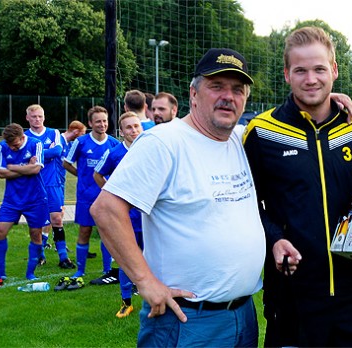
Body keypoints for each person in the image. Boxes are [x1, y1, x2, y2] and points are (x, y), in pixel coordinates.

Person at [90, 47, 266, 346]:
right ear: (193, 94)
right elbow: (106, 210)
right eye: (217, 86)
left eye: (237, 89)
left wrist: (330, 102)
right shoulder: (164, 142)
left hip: (243, 315)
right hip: (186, 320)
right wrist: (145, 282)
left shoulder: (241, 139)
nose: (228, 96)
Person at [243, 26, 352, 347]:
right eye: (300, 70)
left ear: (334, 70)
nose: (311, 79)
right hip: (293, 294)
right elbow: (245, 203)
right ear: (286, 74)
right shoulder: (262, 132)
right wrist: (275, 239)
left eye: (320, 69)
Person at [0, 123, 50, 289]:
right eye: (10, 145)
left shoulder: (35, 144)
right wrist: (25, 166)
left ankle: (30, 273)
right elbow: (0, 173)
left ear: (22, 137)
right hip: (11, 199)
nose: (13, 147)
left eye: (16, 144)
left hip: (35, 198)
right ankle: (0, 273)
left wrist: (13, 167)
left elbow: (36, 170)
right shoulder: (2, 147)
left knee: (36, 234)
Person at [92, 112, 143, 317]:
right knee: (125, 258)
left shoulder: (150, 147)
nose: (134, 131)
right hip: (126, 217)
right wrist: (114, 197)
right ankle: (126, 302)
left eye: (137, 126)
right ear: (121, 132)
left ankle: (156, 299)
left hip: (149, 216)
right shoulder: (114, 153)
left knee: (156, 258)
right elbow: (97, 174)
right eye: (129, 128)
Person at [63, 106, 120, 284]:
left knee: (106, 232)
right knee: (85, 231)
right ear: (90, 123)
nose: (102, 124)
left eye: (104, 121)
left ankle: (107, 270)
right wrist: (81, 176)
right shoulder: (80, 143)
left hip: (106, 196)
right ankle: (80, 270)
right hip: (86, 196)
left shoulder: (114, 144)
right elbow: (66, 163)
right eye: (98, 121)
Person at [23, 104, 74, 270]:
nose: (37, 120)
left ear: (44, 117)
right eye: (34, 117)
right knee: (37, 223)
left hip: (53, 184)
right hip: (34, 184)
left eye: (40, 116)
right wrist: (47, 152)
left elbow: (57, 151)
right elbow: (25, 157)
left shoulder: (54, 133)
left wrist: (37, 154)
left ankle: (63, 257)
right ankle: (40, 255)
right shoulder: (24, 137)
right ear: (27, 118)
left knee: (57, 219)